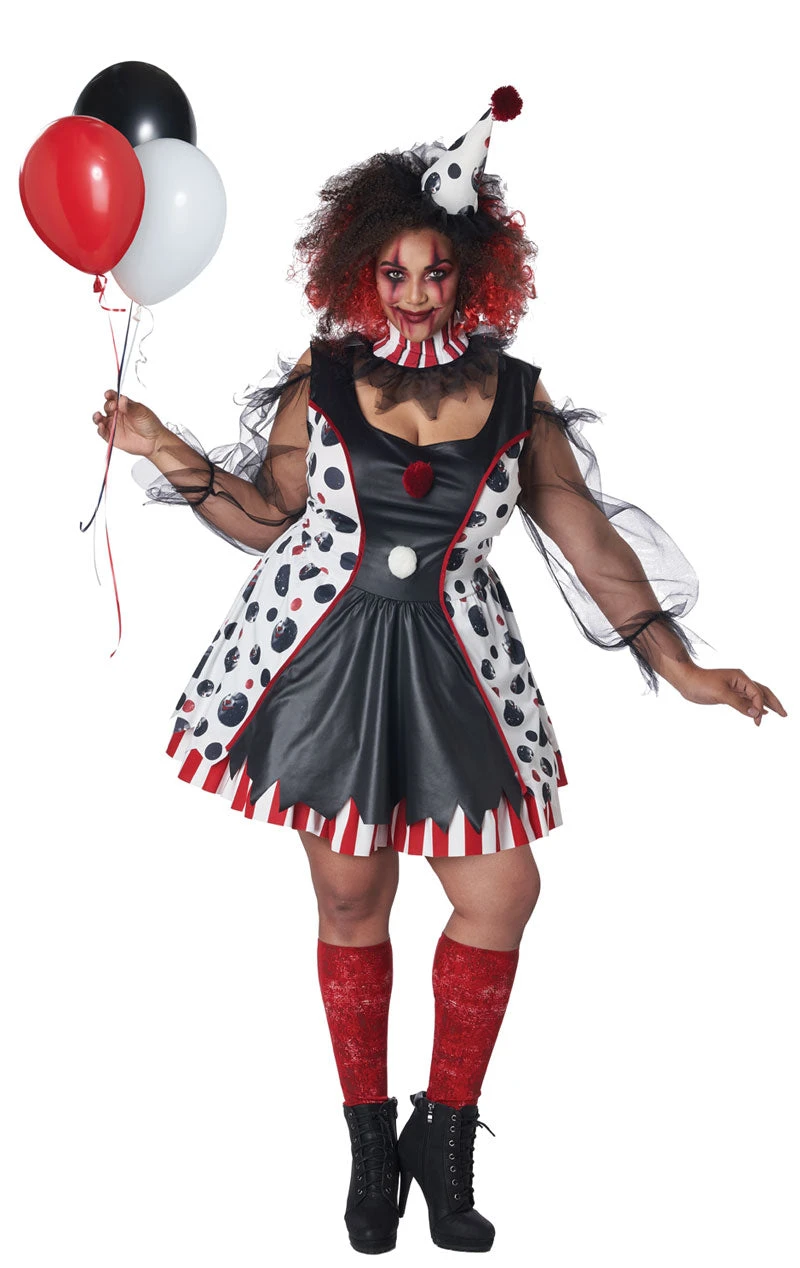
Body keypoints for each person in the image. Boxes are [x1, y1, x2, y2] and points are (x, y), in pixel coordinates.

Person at [92, 87, 786, 1255]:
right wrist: (161, 445)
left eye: (436, 272)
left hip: (457, 664)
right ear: (363, 272)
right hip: (323, 657)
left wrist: (680, 664)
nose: (415, 292)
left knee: (499, 890)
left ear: (475, 275)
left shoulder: (515, 396)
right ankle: (369, 1145)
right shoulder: (323, 379)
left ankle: (442, 1129)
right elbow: (269, 519)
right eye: (396, 273)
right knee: (350, 897)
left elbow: (587, 540)